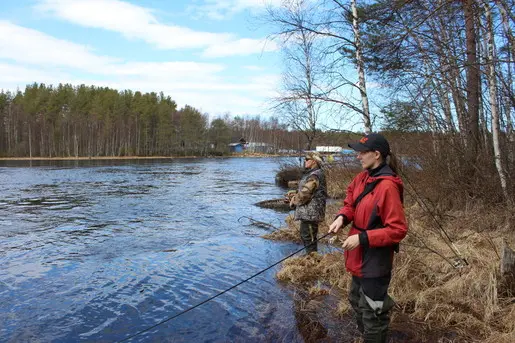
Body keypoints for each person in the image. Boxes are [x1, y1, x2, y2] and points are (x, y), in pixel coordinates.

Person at [328, 133, 408, 343]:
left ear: (377, 154)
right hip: (358, 257)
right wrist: (341, 218)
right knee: (356, 300)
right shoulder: (361, 178)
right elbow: (350, 203)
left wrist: (362, 238)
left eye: (362, 153)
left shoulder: (387, 186)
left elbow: (398, 229)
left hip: (375, 259)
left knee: (373, 311)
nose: (358, 157)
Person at [286, 151, 327, 254]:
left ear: (314, 161)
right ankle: (311, 258)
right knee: (307, 235)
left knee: (309, 237)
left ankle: (313, 261)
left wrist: (293, 201)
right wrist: (294, 193)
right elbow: (306, 190)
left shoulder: (315, 175)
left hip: (311, 214)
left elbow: (305, 194)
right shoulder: (314, 173)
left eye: (307, 159)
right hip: (309, 213)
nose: (305, 160)